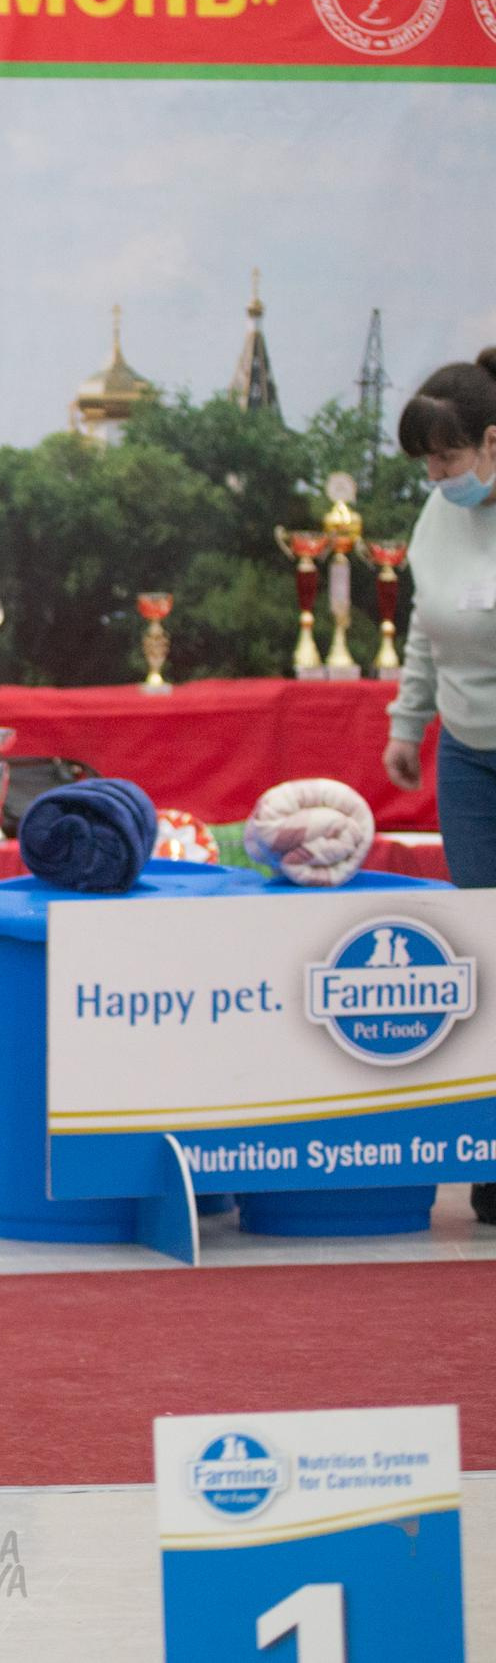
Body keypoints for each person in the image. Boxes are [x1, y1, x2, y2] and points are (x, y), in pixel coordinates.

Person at [379, 347, 496, 1227]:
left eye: (449, 457)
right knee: (485, 956)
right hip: (467, 755)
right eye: (426, 461)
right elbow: (424, 625)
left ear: (493, 444)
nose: (436, 475)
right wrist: (405, 724)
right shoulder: (436, 513)